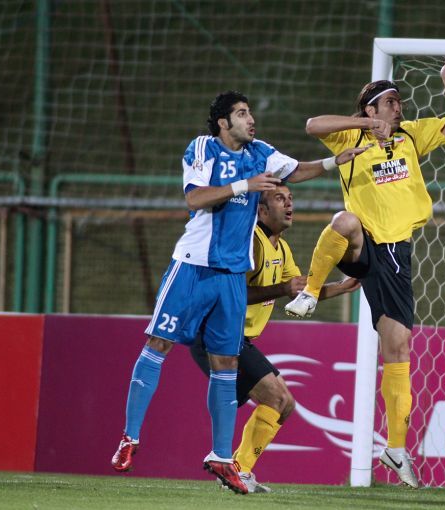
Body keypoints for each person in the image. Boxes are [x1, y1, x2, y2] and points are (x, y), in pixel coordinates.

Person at [110, 91, 366, 494]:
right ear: (223, 123)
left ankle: (221, 456)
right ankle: (130, 437)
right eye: (242, 114)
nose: (251, 120)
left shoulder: (260, 152)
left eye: (249, 113)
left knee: (226, 363)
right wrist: (244, 184)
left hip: (232, 275)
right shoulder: (203, 148)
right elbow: (194, 197)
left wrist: (335, 162)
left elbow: (296, 170)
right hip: (193, 265)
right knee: (158, 342)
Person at [284, 55, 445, 488]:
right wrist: (367, 126)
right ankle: (311, 292)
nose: (398, 107)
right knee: (344, 221)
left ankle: (396, 449)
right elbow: (312, 125)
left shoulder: (410, 134)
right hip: (365, 244)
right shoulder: (351, 134)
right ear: (371, 109)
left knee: (398, 347)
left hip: (397, 253)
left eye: (398, 101)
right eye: (390, 102)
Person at [188, 183, 360, 493]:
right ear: (262, 210)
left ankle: (238, 470)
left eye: (290, 198)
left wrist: (343, 286)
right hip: (216, 333)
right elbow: (233, 292)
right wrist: (282, 289)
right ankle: (236, 469)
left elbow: (301, 291)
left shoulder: (281, 248)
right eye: (280, 199)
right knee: (278, 399)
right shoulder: (251, 242)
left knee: (285, 404)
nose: (289, 204)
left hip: (236, 339)